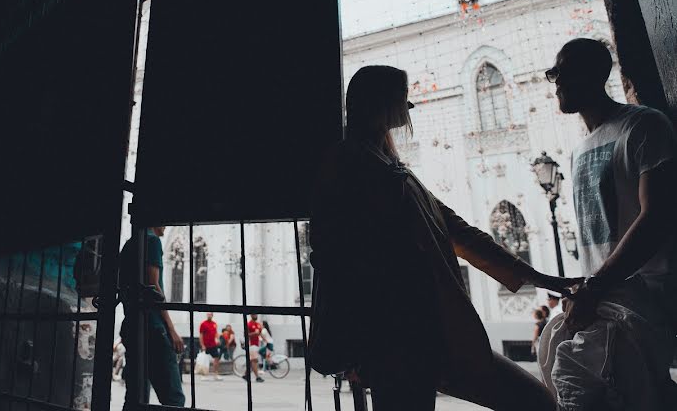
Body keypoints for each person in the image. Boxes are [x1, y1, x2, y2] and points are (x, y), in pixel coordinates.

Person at [308, 65, 578, 411]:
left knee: (534, 399)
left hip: (425, 326)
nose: (408, 111)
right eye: (403, 100)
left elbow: (457, 231)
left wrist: (538, 277)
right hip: (396, 332)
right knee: (532, 400)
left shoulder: (389, 167)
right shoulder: (351, 163)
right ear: (382, 103)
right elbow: (334, 250)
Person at [537, 38, 677, 410]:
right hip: (600, 300)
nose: (558, 83)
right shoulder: (579, 151)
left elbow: (657, 216)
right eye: (554, 75)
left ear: (597, 74)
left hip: (645, 300)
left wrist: (597, 285)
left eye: (563, 72)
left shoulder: (643, 126)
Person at [118, 227, 185, 408]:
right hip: (153, 327)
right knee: (174, 399)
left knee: (136, 396)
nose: (166, 226)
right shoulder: (152, 241)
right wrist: (172, 330)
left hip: (132, 325)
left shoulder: (130, 244)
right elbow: (152, 286)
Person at [198, 312, 223, 380]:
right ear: (207, 315)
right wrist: (202, 345)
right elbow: (201, 335)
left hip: (213, 344)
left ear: (212, 315)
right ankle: (204, 375)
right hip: (206, 345)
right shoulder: (203, 324)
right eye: (208, 314)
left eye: (210, 314)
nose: (209, 315)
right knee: (204, 360)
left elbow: (215, 333)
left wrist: (218, 340)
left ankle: (216, 374)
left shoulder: (214, 324)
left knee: (216, 358)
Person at [245, 314, 264, 382]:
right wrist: (254, 333)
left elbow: (259, 333)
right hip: (251, 344)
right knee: (255, 360)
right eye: (254, 315)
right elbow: (246, 334)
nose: (256, 316)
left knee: (252, 361)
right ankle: (257, 377)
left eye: (256, 314)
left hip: (257, 344)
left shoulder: (258, 324)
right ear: (251, 315)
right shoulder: (249, 324)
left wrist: (261, 330)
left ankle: (246, 374)